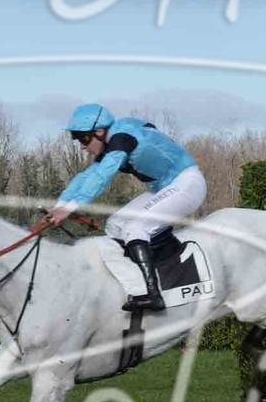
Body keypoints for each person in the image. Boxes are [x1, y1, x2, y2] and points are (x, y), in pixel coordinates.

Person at [44, 104, 205, 312]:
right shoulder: (113, 139)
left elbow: (102, 177)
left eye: (83, 138)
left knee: (135, 228)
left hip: (187, 184)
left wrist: (68, 209)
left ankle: (153, 294)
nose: (82, 146)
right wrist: (60, 205)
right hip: (164, 187)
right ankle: (136, 286)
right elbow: (86, 176)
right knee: (115, 224)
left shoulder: (121, 140)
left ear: (99, 132)